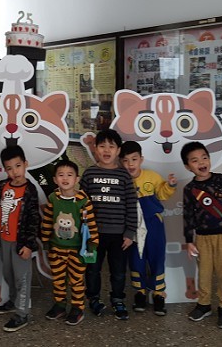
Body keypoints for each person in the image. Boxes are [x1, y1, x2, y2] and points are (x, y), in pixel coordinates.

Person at [180, 141, 222, 330]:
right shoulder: (189, 189)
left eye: (204, 157)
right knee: (204, 274)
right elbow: (187, 216)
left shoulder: (221, 180)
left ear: (210, 159)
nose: (201, 162)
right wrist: (189, 241)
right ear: (187, 166)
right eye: (194, 160)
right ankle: (204, 304)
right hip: (202, 238)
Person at [79, 129, 138, 320]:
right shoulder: (89, 173)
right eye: (102, 146)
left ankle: (118, 299)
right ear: (95, 149)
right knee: (92, 270)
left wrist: (129, 232)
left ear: (118, 150)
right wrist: (83, 230)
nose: (106, 150)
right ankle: (93, 299)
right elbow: (81, 203)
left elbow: (131, 205)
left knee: (119, 272)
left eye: (111, 146)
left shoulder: (124, 176)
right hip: (93, 235)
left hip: (119, 236)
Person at [0, 145, 40, 332]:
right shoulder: (2, 186)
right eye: (9, 168)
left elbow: (34, 219)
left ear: (25, 164)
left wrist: (29, 244)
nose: (14, 171)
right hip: (3, 240)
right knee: (8, 274)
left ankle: (22, 314)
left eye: (18, 166)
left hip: (21, 242)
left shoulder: (30, 190)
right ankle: (13, 300)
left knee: (22, 278)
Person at [119, 140, 177, 316]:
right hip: (132, 226)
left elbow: (162, 194)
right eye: (125, 160)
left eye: (134, 159)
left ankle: (159, 294)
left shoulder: (152, 176)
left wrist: (170, 185)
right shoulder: (121, 180)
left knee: (157, 257)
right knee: (136, 259)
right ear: (120, 162)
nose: (130, 164)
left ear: (141, 159)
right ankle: (140, 293)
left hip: (154, 224)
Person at [41, 160, 98, 326]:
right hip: (56, 248)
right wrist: (45, 240)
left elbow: (91, 224)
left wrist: (92, 244)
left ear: (76, 179)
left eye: (69, 175)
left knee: (76, 280)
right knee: (58, 279)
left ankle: (77, 308)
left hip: (77, 250)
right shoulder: (53, 198)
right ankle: (59, 305)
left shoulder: (83, 201)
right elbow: (47, 220)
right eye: (61, 175)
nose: (65, 178)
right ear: (55, 179)